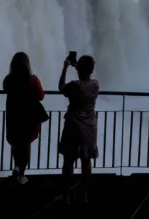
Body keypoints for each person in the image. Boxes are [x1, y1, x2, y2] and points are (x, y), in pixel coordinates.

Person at [58, 54, 99, 204]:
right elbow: (85, 77)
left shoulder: (75, 85)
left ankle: (66, 195)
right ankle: (84, 195)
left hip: (74, 125)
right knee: (86, 161)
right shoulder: (95, 84)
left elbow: (61, 87)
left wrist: (65, 68)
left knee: (69, 161)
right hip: (90, 126)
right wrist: (77, 66)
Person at [3, 52, 45, 184]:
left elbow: (6, 89)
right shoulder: (32, 80)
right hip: (28, 117)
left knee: (16, 143)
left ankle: (16, 167)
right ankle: (21, 173)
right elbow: (41, 96)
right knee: (26, 145)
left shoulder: (9, 79)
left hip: (14, 116)